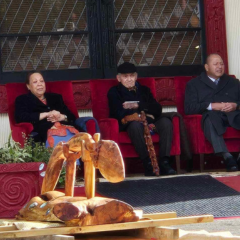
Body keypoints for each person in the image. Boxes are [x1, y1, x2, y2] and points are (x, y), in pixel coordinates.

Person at [107, 62, 176, 176]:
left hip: (149, 122)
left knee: (166, 122)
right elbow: (118, 113)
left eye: (131, 76)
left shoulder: (144, 90)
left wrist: (138, 106)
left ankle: (164, 162)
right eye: (125, 76)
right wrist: (142, 113)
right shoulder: (114, 92)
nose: (129, 79)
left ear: (136, 76)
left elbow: (157, 109)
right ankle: (148, 163)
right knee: (135, 125)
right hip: (130, 124)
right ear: (119, 78)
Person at [184, 53, 240, 172]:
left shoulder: (233, 82)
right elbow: (189, 108)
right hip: (212, 116)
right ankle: (227, 157)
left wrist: (236, 105)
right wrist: (211, 106)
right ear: (207, 67)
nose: (219, 67)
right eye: (215, 64)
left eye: (221, 64)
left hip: (233, 115)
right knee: (209, 119)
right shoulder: (194, 84)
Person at [15, 71, 99, 145]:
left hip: (68, 129)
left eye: (42, 81)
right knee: (63, 149)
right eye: (35, 82)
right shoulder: (23, 100)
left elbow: (72, 117)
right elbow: (21, 118)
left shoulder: (55, 98)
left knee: (80, 144)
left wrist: (62, 117)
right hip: (46, 132)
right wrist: (45, 114)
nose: (39, 84)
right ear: (28, 86)